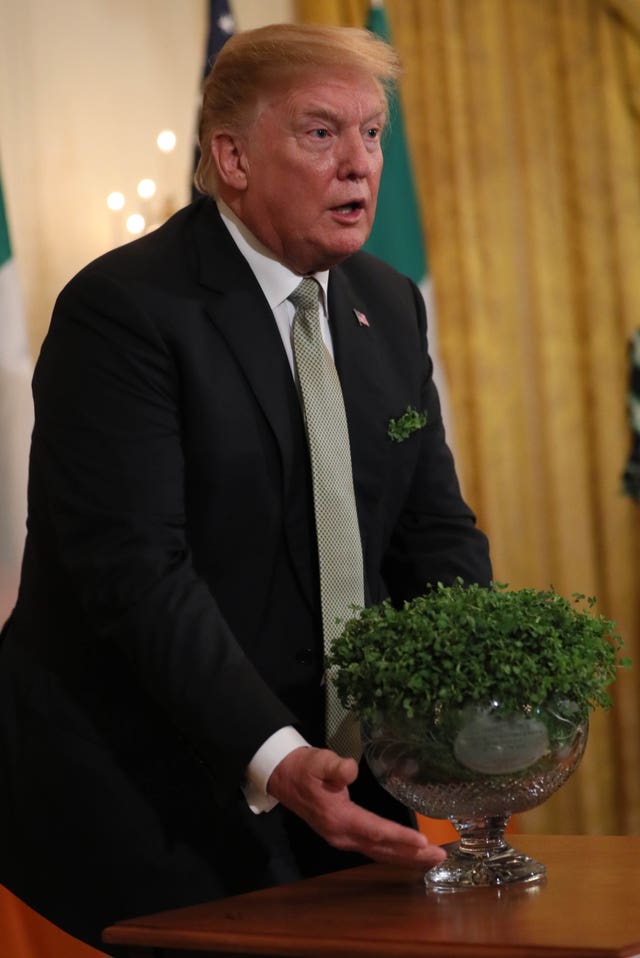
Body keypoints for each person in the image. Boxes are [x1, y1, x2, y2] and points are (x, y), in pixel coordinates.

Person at [0, 23, 492, 954]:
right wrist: (278, 755)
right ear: (230, 155)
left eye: (374, 134)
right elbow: (137, 574)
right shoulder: (126, 312)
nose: (360, 166)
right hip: (154, 799)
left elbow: (432, 532)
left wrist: (484, 698)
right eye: (321, 134)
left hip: (346, 792)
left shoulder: (385, 303)